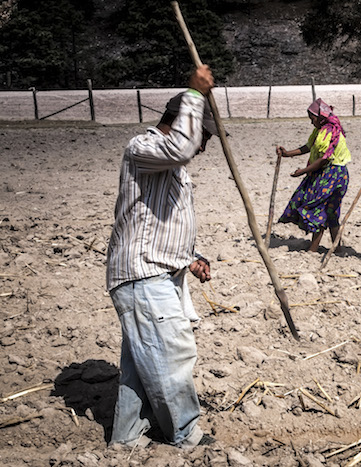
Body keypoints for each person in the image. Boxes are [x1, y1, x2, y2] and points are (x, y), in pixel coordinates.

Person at [106, 65, 218, 449]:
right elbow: (180, 148)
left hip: (158, 271)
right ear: (181, 121)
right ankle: (185, 434)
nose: (202, 147)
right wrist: (195, 94)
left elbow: (163, 221)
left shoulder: (172, 167)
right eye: (203, 135)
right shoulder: (143, 148)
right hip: (142, 275)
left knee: (143, 365)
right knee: (172, 355)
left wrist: (190, 257)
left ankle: (127, 437)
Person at [276, 98, 351, 252]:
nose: (312, 122)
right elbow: (308, 147)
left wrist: (303, 171)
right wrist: (287, 154)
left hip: (334, 174)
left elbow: (324, 159)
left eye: (313, 119)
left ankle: (314, 249)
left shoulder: (330, 131)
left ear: (320, 116)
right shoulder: (319, 130)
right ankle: (337, 247)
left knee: (320, 208)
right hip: (325, 173)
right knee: (329, 210)